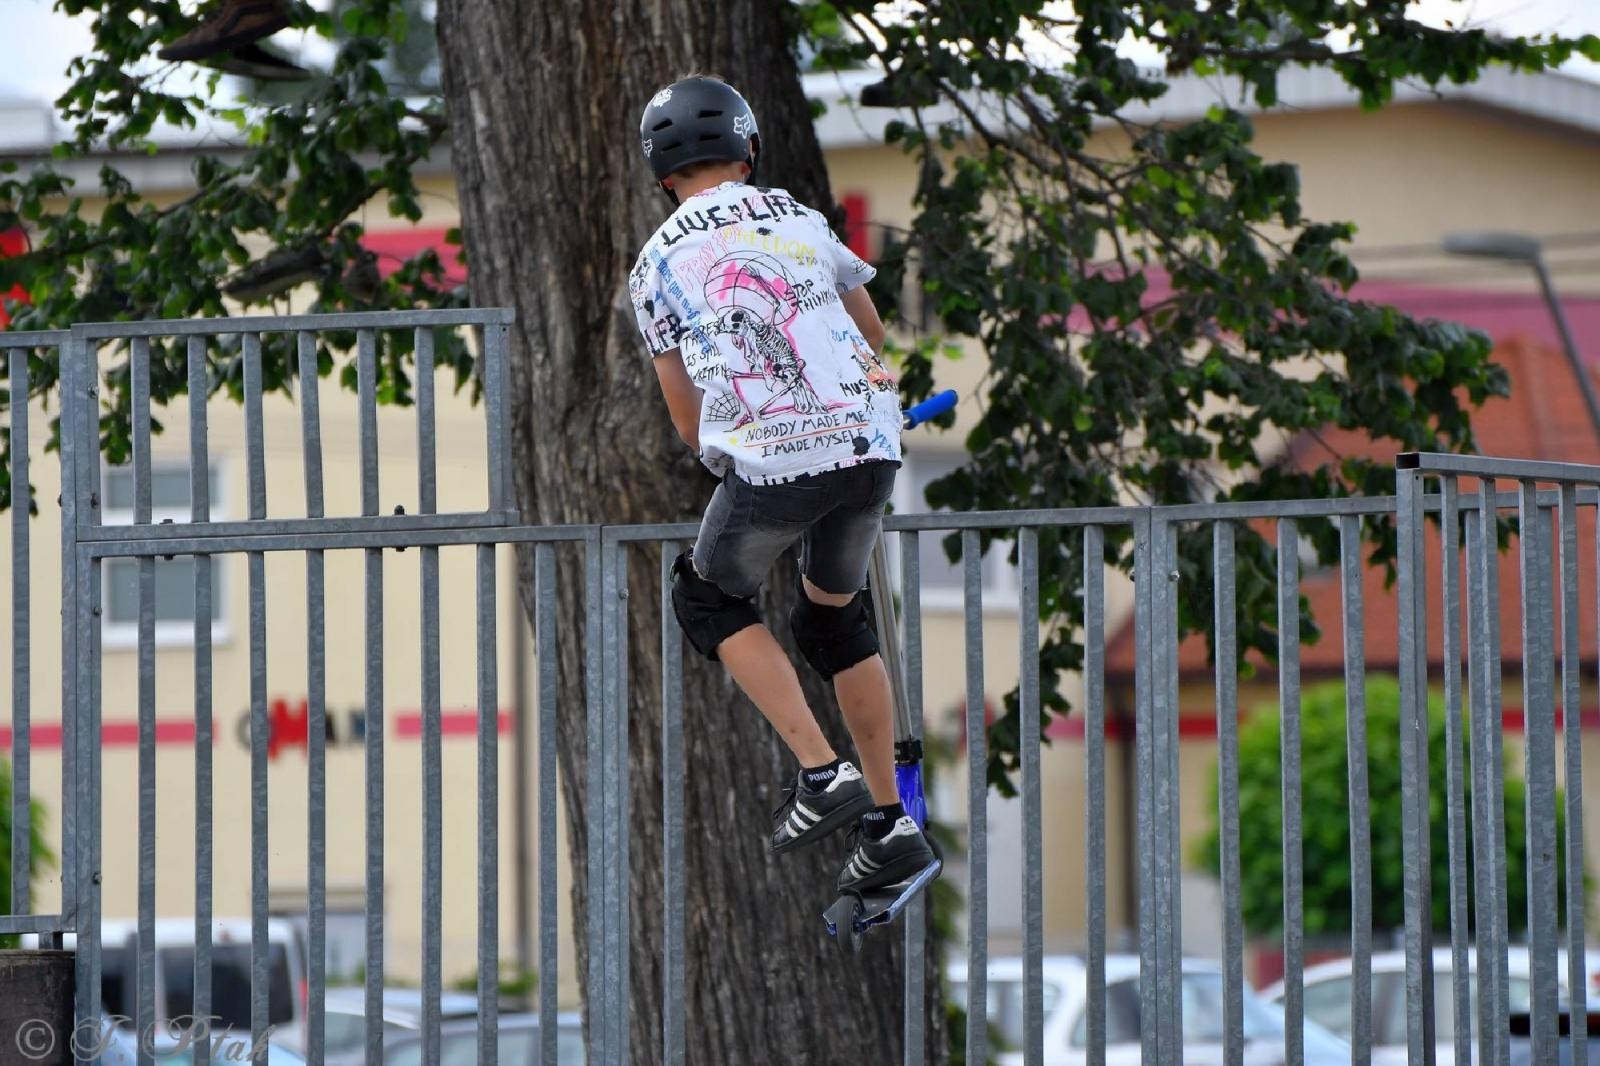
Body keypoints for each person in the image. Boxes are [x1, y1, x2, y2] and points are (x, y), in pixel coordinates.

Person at [629, 75, 936, 895]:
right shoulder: (799, 217)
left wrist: (736, 454)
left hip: (776, 457)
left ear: (663, 175)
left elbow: (690, 426)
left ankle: (819, 771)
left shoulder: (656, 262)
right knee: (832, 619)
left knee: (708, 597)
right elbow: (869, 330)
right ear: (749, 149)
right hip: (872, 447)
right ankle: (887, 825)